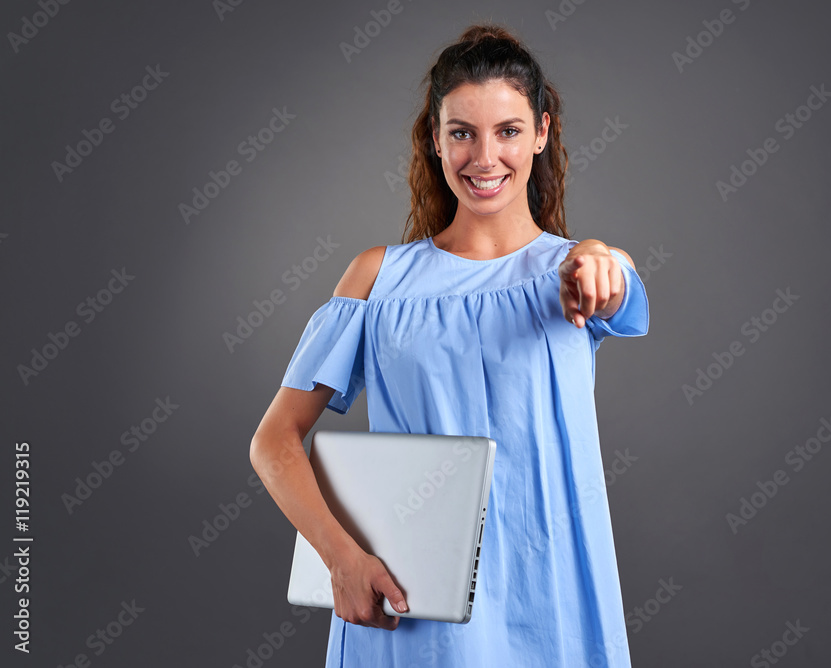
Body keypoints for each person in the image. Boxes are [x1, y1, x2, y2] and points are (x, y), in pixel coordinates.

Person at [249, 22, 649, 668]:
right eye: (461, 132)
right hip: (413, 607)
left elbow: (616, 282)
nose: (484, 157)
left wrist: (601, 256)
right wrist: (342, 559)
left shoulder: (576, 274)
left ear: (542, 132)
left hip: (552, 602)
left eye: (509, 131)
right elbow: (273, 442)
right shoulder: (378, 278)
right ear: (435, 141)